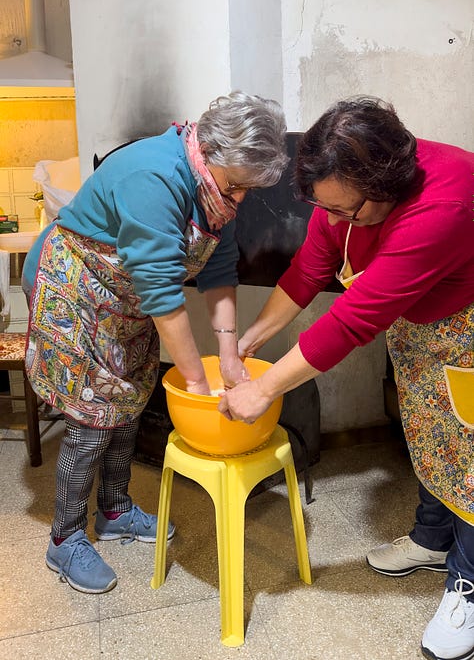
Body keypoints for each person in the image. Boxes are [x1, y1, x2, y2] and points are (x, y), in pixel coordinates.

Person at [217, 96, 474, 660]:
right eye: (322, 207)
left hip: (466, 331)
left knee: (470, 456)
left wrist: (262, 389)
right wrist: (248, 343)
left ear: (385, 186)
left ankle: (469, 585)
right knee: (432, 437)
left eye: (345, 212)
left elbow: (353, 321)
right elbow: (308, 270)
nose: (332, 222)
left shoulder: (444, 203)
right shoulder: (343, 185)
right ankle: (433, 540)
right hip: (420, 324)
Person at [22, 91, 289, 595]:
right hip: (75, 289)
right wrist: (197, 383)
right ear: (210, 153)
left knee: (129, 401)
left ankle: (116, 510)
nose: (238, 201)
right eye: (236, 188)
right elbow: (164, 294)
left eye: (247, 192)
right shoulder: (155, 177)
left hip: (125, 300)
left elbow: (218, 268)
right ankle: (65, 537)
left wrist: (229, 358)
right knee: (92, 418)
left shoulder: (215, 189)